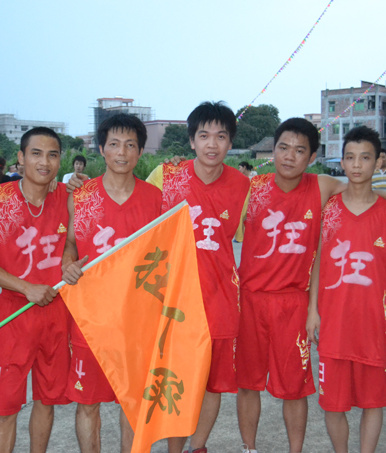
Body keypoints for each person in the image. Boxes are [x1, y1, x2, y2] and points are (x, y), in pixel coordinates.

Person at [235, 119, 386, 453]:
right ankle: (249, 447)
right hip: (251, 300)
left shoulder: (321, 187)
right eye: (283, 148)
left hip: (294, 302)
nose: (290, 156)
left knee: (295, 388)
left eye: (300, 150)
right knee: (247, 383)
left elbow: (360, 187)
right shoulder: (251, 187)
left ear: (312, 156)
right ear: (272, 150)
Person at [144, 101, 251, 453]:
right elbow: (130, 206)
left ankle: (198, 447)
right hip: (172, 301)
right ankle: (175, 449)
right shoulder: (165, 176)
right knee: (177, 380)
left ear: (230, 142)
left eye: (221, 136)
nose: (212, 144)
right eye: (204, 135)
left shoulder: (243, 186)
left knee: (212, 384)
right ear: (191, 141)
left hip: (220, 301)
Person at [61, 114, 162, 453]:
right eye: (114, 144)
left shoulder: (156, 199)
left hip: (138, 320)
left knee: (134, 404)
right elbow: (70, 244)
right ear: (101, 149)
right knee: (87, 403)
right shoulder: (80, 196)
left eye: (130, 145)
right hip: (90, 319)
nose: (122, 152)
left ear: (140, 152)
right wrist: (67, 264)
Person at [0, 127, 72, 453]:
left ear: (60, 161)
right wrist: (26, 288)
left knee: (47, 401)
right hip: (12, 317)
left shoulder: (68, 196)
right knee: (6, 410)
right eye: (36, 154)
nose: (44, 162)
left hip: (57, 316)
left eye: (53, 155)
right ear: (21, 157)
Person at [307, 126, 386, 453]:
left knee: (373, 402)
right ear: (342, 163)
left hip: (375, 324)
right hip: (334, 323)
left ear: (379, 162)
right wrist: (313, 311)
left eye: (365, 158)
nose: (357, 165)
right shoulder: (329, 208)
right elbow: (318, 262)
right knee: (333, 405)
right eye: (350, 158)